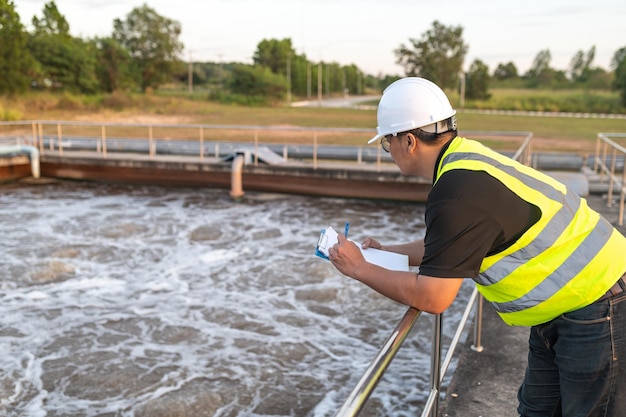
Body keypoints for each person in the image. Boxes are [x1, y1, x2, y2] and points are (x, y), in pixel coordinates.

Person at [327, 77, 626, 417]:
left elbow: (433, 297)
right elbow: (451, 247)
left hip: (600, 306)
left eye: (386, 143)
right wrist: (386, 252)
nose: (388, 151)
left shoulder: (456, 193)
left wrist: (359, 268)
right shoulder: (465, 162)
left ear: (408, 141)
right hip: (571, 305)